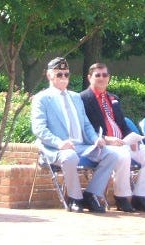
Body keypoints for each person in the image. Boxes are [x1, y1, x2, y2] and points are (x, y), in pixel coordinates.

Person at [31, 57, 118, 213]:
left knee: (111, 155)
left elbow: (86, 124)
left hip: (82, 146)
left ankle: (91, 194)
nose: (64, 78)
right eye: (59, 74)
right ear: (49, 76)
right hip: (57, 148)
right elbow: (39, 128)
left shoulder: (76, 97)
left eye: (66, 74)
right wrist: (59, 143)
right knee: (69, 156)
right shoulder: (41, 99)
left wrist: (95, 139)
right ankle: (74, 198)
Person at [80, 62, 145, 212]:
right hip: (104, 144)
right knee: (123, 155)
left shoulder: (113, 98)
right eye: (98, 75)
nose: (102, 78)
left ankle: (139, 197)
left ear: (109, 77)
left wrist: (132, 138)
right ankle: (121, 197)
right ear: (90, 77)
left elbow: (122, 124)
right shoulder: (83, 99)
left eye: (105, 75)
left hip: (123, 142)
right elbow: (85, 127)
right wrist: (107, 139)